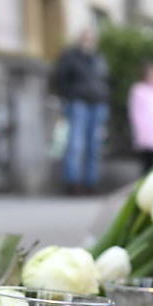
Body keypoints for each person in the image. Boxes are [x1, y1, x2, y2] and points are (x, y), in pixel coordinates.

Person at [53, 29, 109, 194]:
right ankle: (73, 182)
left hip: (97, 103)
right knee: (76, 144)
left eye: (91, 39)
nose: (89, 43)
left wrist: (105, 97)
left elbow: (105, 80)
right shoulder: (71, 57)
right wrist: (69, 97)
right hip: (79, 103)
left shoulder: (98, 59)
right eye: (86, 39)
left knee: (94, 145)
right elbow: (61, 78)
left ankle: (91, 183)